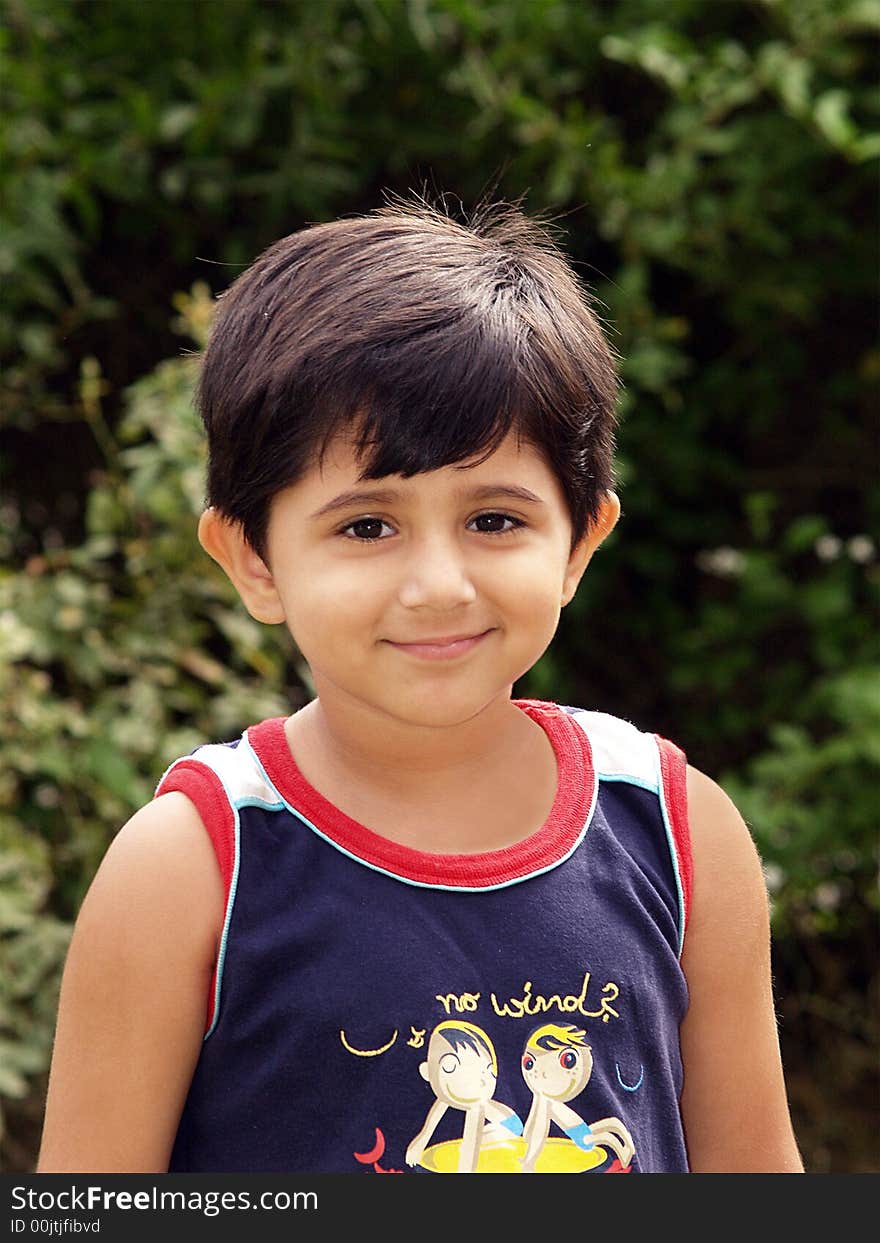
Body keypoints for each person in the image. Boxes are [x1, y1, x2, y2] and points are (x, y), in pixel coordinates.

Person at [36, 192, 803, 1175]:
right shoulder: (193, 868)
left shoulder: (675, 830)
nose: (439, 585)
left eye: (494, 519)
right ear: (253, 561)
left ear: (580, 543)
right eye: (366, 525)